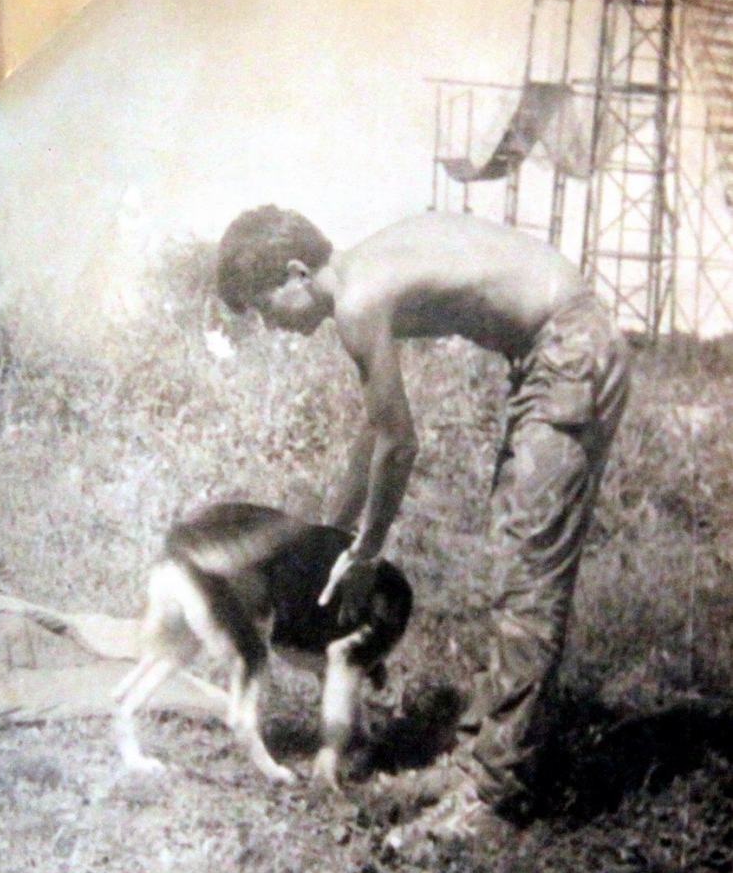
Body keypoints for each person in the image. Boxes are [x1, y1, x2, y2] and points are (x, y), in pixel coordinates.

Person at [216, 204, 631, 823]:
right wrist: (331, 534)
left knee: (529, 579)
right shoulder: (368, 272)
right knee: (515, 563)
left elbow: (400, 445)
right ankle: (478, 761)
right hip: (555, 354)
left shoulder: (358, 300)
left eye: (263, 307)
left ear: (296, 273)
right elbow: (377, 428)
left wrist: (365, 554)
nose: (270, 326)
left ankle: (493, 799)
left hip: (569, 352)